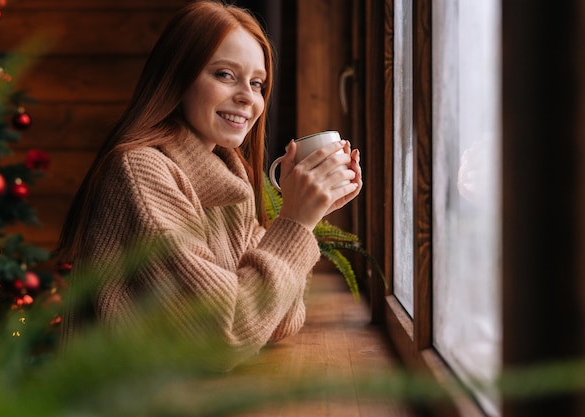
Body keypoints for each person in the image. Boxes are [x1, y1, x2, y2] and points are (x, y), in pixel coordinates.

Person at [55, 0, 362, 371]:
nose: (248, 97)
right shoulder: (140, 170)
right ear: (177, 77)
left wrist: (308, 218)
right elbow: (221, 337)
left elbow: (278, 322)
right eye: (224, 75)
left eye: (257, 83)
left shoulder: (230, 180)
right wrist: (294, 222)